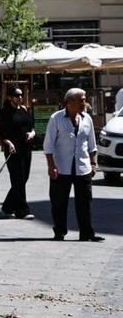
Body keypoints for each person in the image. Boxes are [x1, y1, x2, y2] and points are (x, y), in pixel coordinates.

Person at [44, 88, 102, 242]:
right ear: (70, 102)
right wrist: (51, 166)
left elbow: (92, 144)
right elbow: (48, 146)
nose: (84, 103)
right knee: (59, 202)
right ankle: (60, 232)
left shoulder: (87, 119)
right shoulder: (55, 118)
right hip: (61, 167)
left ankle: (87, 233)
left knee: (85, 202)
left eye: (84, 99)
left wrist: (93, 163)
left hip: (82, 167)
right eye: (81, 100)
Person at [0, 88, 36, 220]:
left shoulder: (24, 110)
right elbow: (1, 132)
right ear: (10, 97)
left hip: (26, 148)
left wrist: (32, 134)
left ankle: (8, 207)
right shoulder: (4, 113)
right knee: (17, 179)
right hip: (13, 150)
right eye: (16, 95)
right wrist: (8, 142)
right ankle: (22, 210)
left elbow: (32, 127)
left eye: (21, 95)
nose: (20, 97)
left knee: (23, 178)